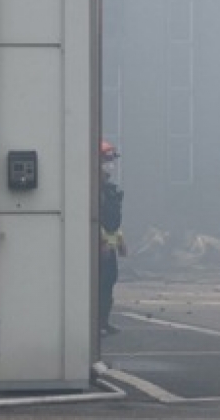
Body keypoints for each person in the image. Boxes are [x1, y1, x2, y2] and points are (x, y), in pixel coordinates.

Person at [99, 140, 126, 337]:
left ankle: (103, 322)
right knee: (98, 284)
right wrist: (101, 242)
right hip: (99, 247)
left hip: (109, 246)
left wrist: (119, 240)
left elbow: (112, 221)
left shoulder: (109, 189)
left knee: (108, 282)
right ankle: (96, 323)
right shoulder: (92, 189)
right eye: (106, 160)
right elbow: (93, 218)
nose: (110, 164)